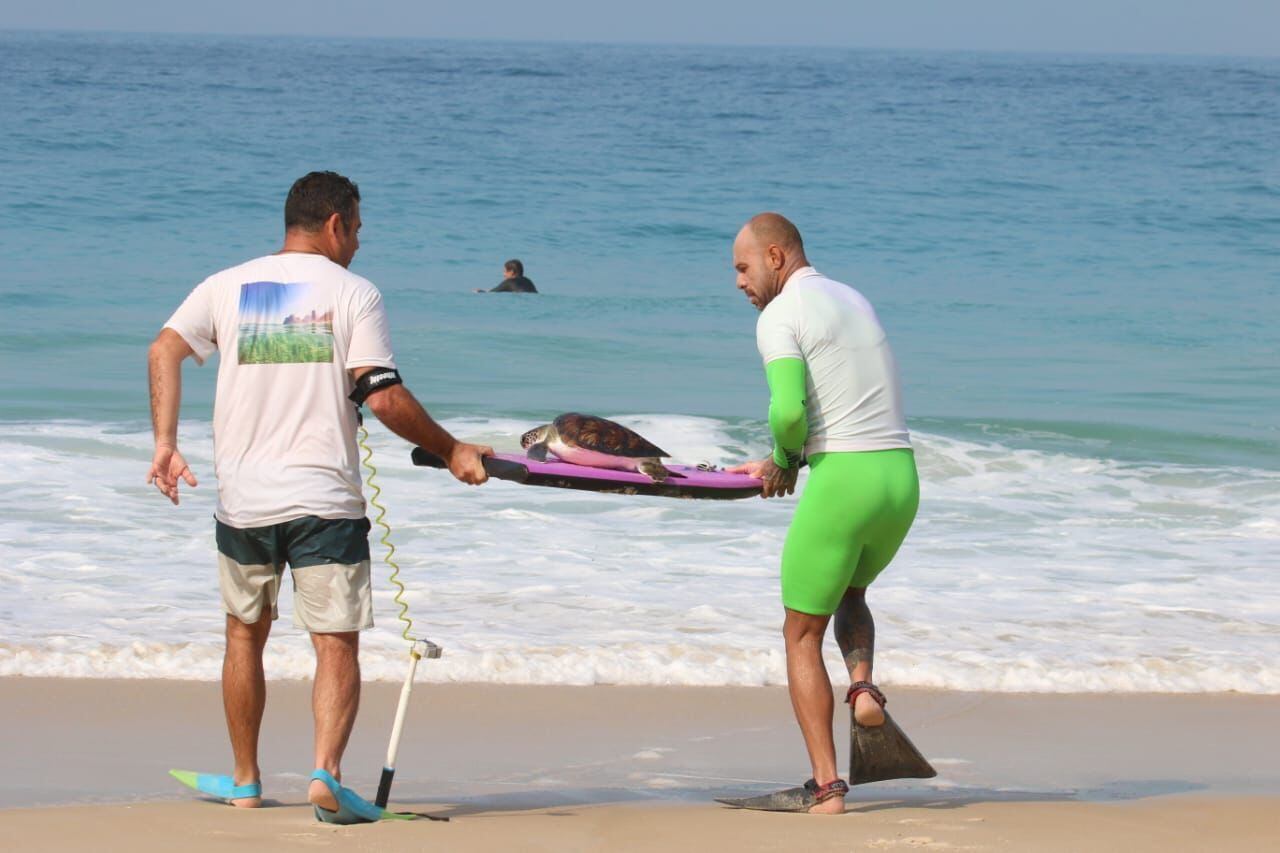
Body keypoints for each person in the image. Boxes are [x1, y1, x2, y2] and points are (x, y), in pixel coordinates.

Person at [147, 171, 492, 821]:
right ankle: (325, 775)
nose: (358, 242)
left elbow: (163, 350)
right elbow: (382, 395)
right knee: (335, 642)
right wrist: (451, 449)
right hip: (324, 501)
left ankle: (245, 780)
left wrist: (165, 442)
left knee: (243, 636)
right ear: (335, 223)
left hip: (243, 500)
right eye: (356, 229)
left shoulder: (225, 285)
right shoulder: (355, 292)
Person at [727, 213, 920, 815]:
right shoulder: (852, 298)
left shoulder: (779, 314)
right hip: (900, 480)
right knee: (851, 592)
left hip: (845, 485)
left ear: (776, 256)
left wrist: (785, 459)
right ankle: (863, 690)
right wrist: (787, 457)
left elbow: (788, 413)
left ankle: (826, 786)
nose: (739, 281)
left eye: (743, 267)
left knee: (800, 633)